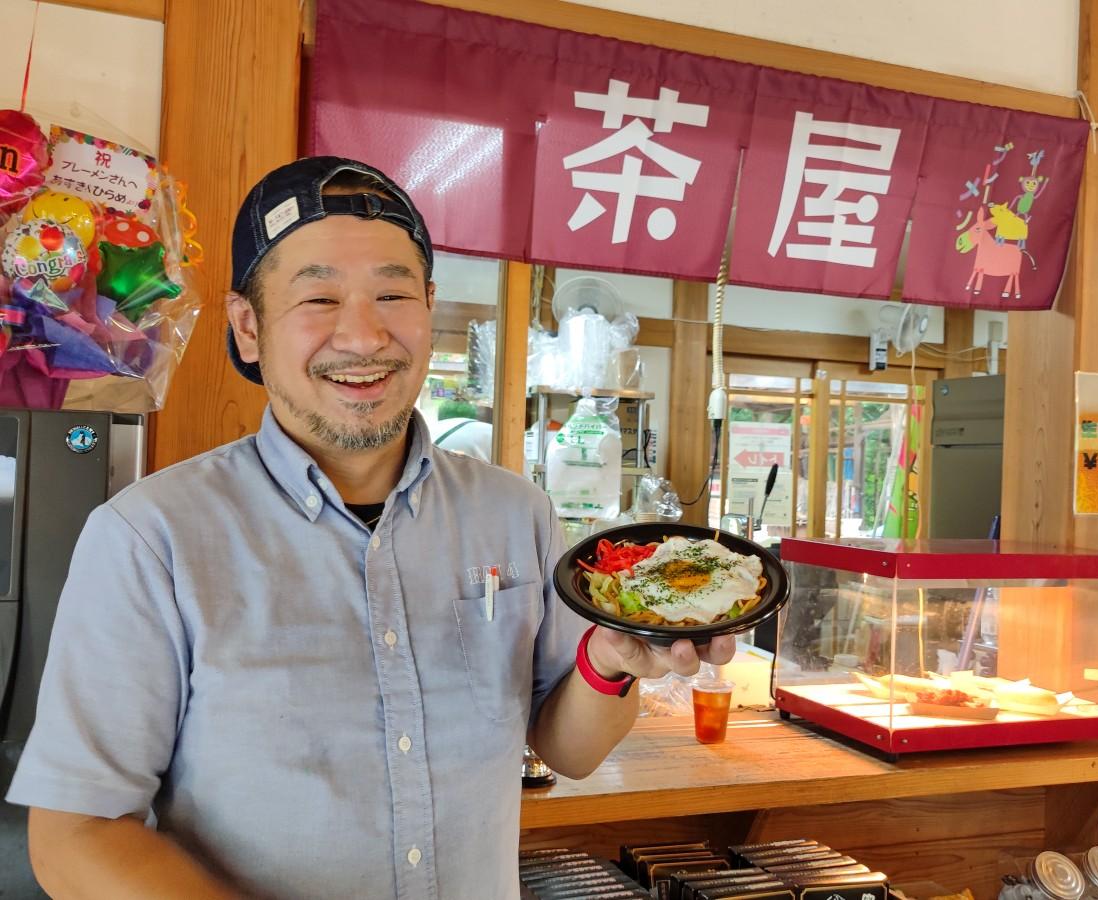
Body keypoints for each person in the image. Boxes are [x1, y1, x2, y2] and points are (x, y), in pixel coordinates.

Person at [4, 157, 734, 900]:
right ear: (248, 328)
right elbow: (74, 835)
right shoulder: (150, 536)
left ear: (429, 306)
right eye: (319, 296)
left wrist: (610, 659)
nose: (363, 335)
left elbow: (568, 751)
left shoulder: (516, 514)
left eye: (393, 292)